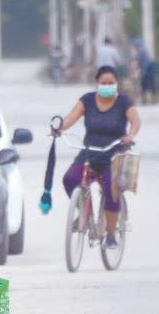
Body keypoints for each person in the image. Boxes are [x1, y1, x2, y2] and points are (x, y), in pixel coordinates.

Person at [57, 66, 140, 249]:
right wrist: (59, 128)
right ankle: (84, 212)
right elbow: (70, 118)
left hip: (113, 154)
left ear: (117, 84)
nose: (107, 86)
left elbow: (135, 121)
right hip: (89, 152)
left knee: (112, 189)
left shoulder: (124, 102)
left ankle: (110, 234)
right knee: (70, 179)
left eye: (111, 83)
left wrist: (130, 135)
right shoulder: (87, 100)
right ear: (96, 83)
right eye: (104, 83)